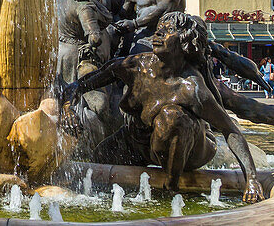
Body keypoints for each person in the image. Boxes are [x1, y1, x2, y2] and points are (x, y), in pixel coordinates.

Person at [61, 12, 264, 202]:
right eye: (159, 28)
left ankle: (171, 189)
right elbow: (78, 85)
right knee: (97, 162)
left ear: (184, 41)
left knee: (171, 117)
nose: (158, 33)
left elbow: (231, 130)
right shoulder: (134, 66)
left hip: (190, 150)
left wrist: (252, 179)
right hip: (141, 142)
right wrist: (68, 108)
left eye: (167, 31)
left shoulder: (191, 88)